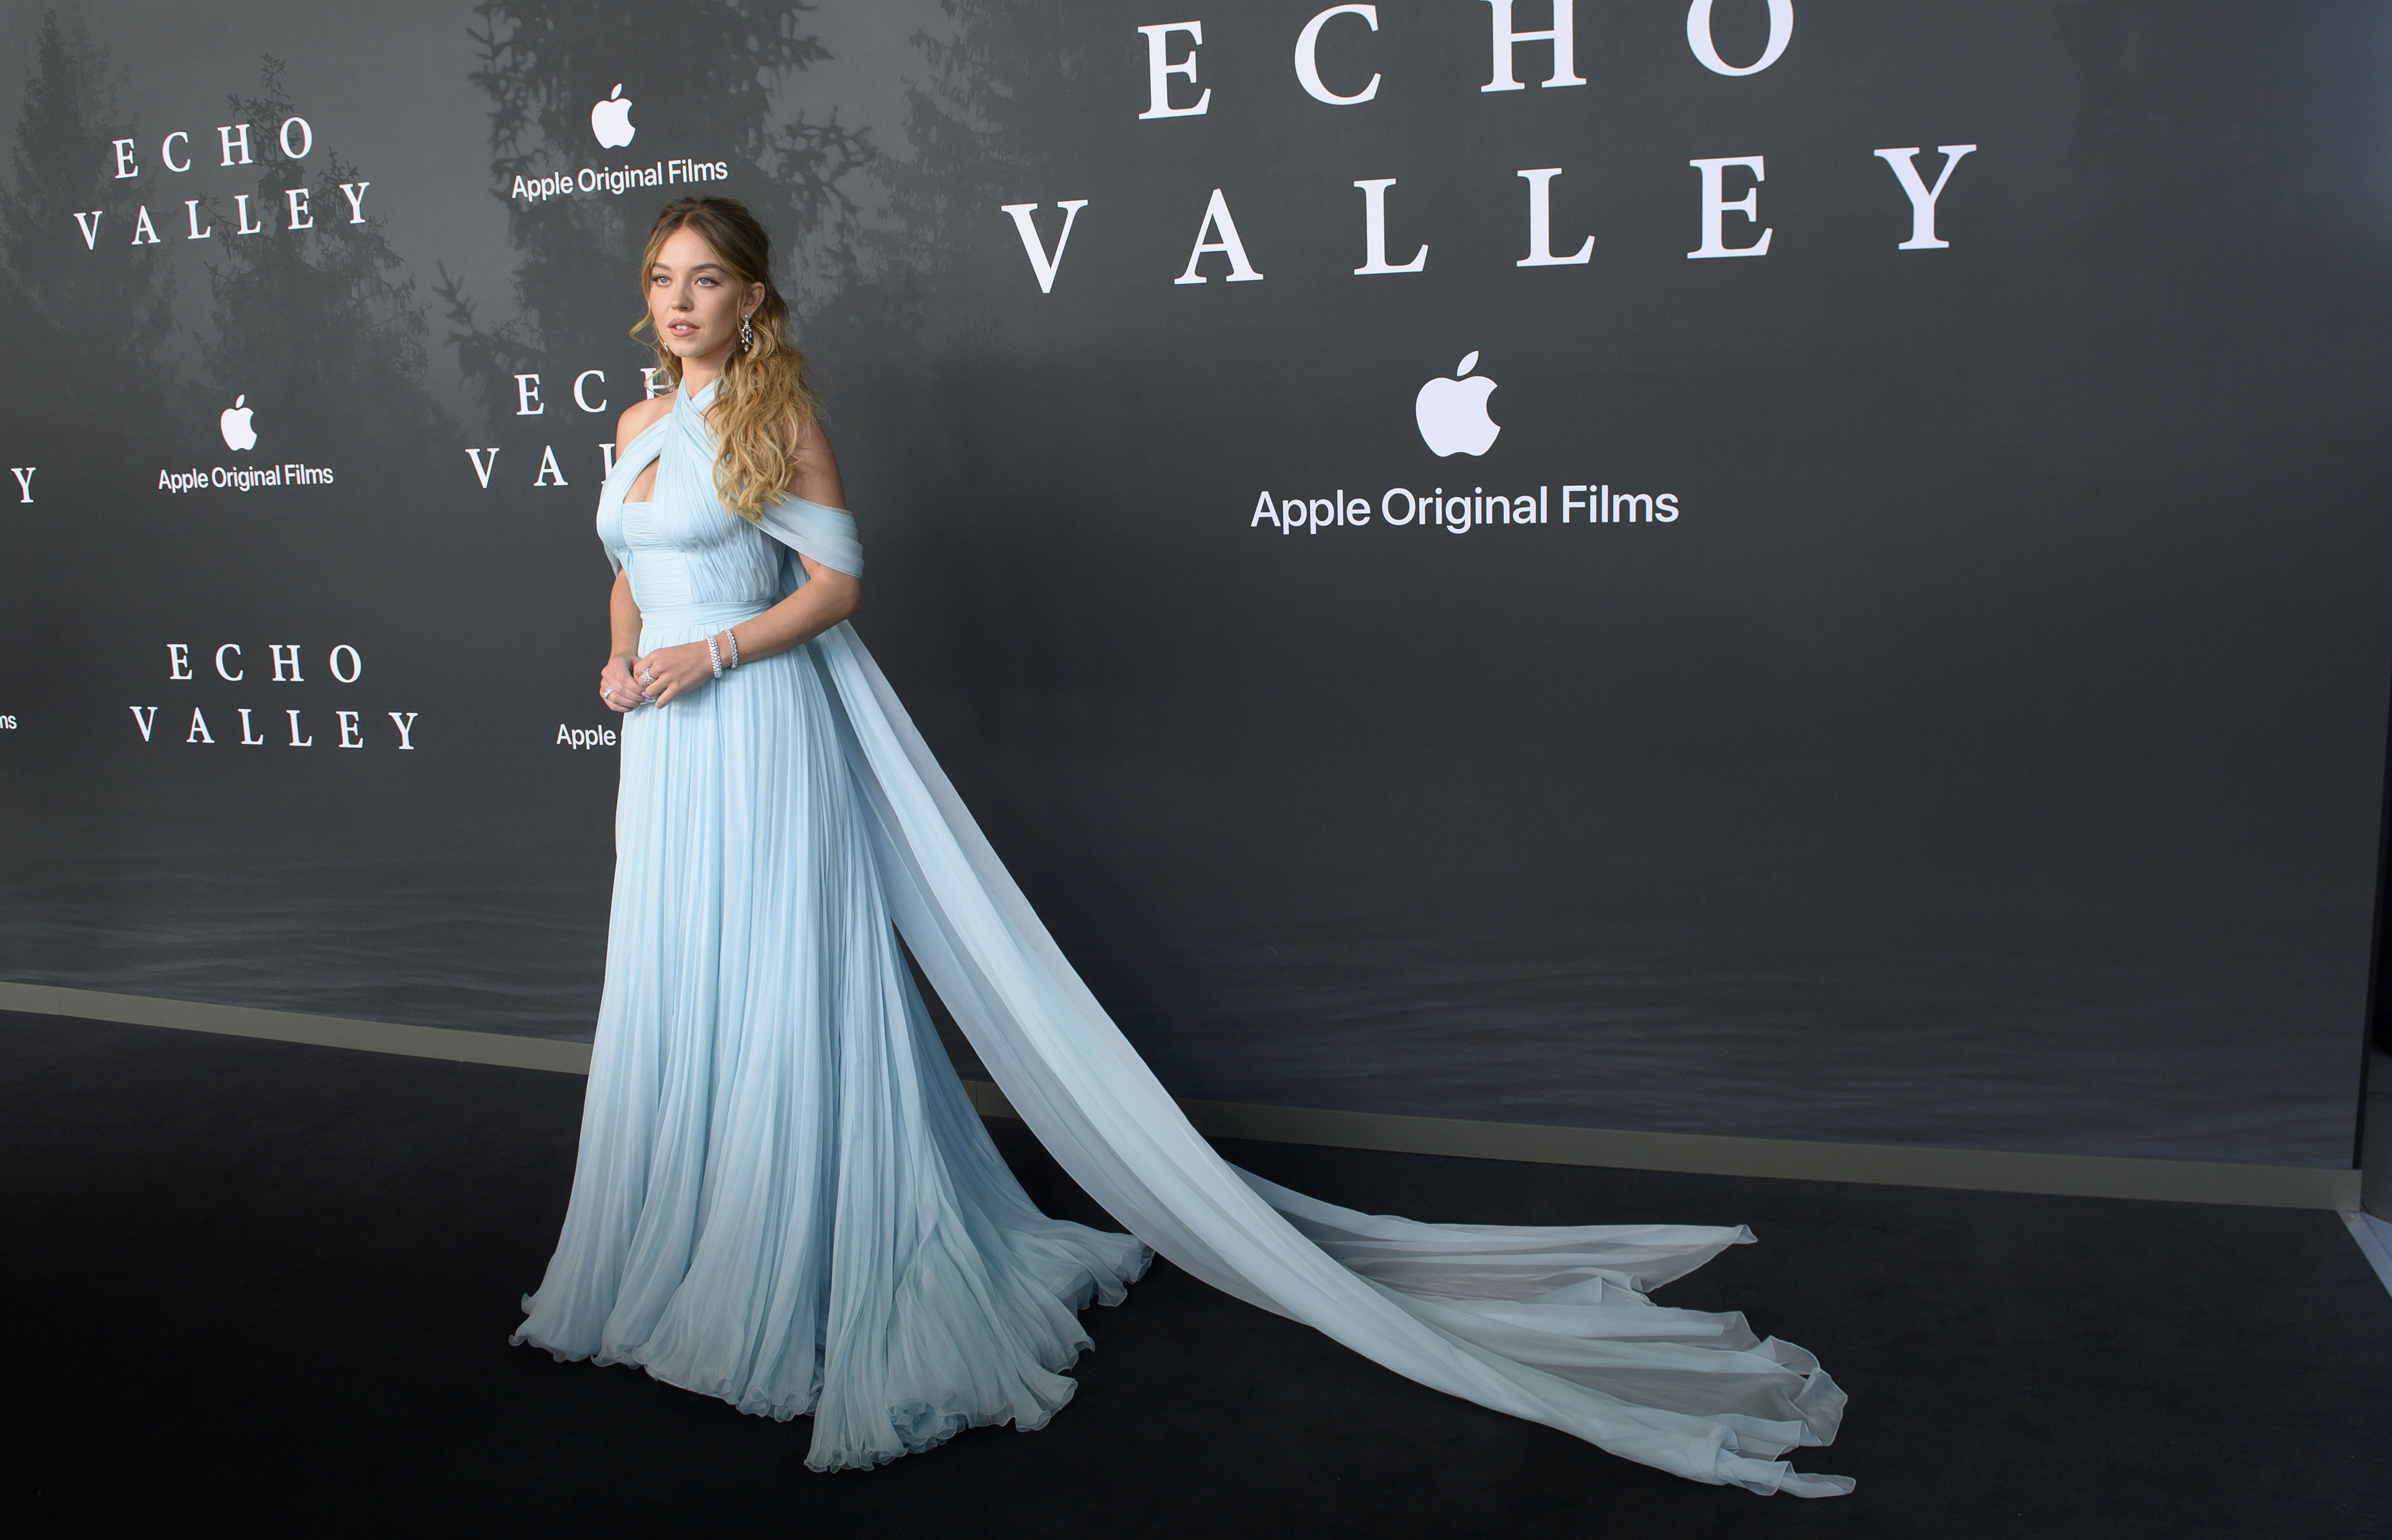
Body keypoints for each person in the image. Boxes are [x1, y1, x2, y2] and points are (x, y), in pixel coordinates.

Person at [513, 197, 1852, 1496]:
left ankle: (787, 1255)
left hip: (760, 732)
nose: (679, 302)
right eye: (662, 279)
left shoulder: (782, 418)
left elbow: (839, 586)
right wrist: (623, 658)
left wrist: (712, 654)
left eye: (705, 279)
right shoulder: (634, 425)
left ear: (752, 296)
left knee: (778, 982)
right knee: (682, 978)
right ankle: (680, 1237)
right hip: (669, 746)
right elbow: (628, 568)